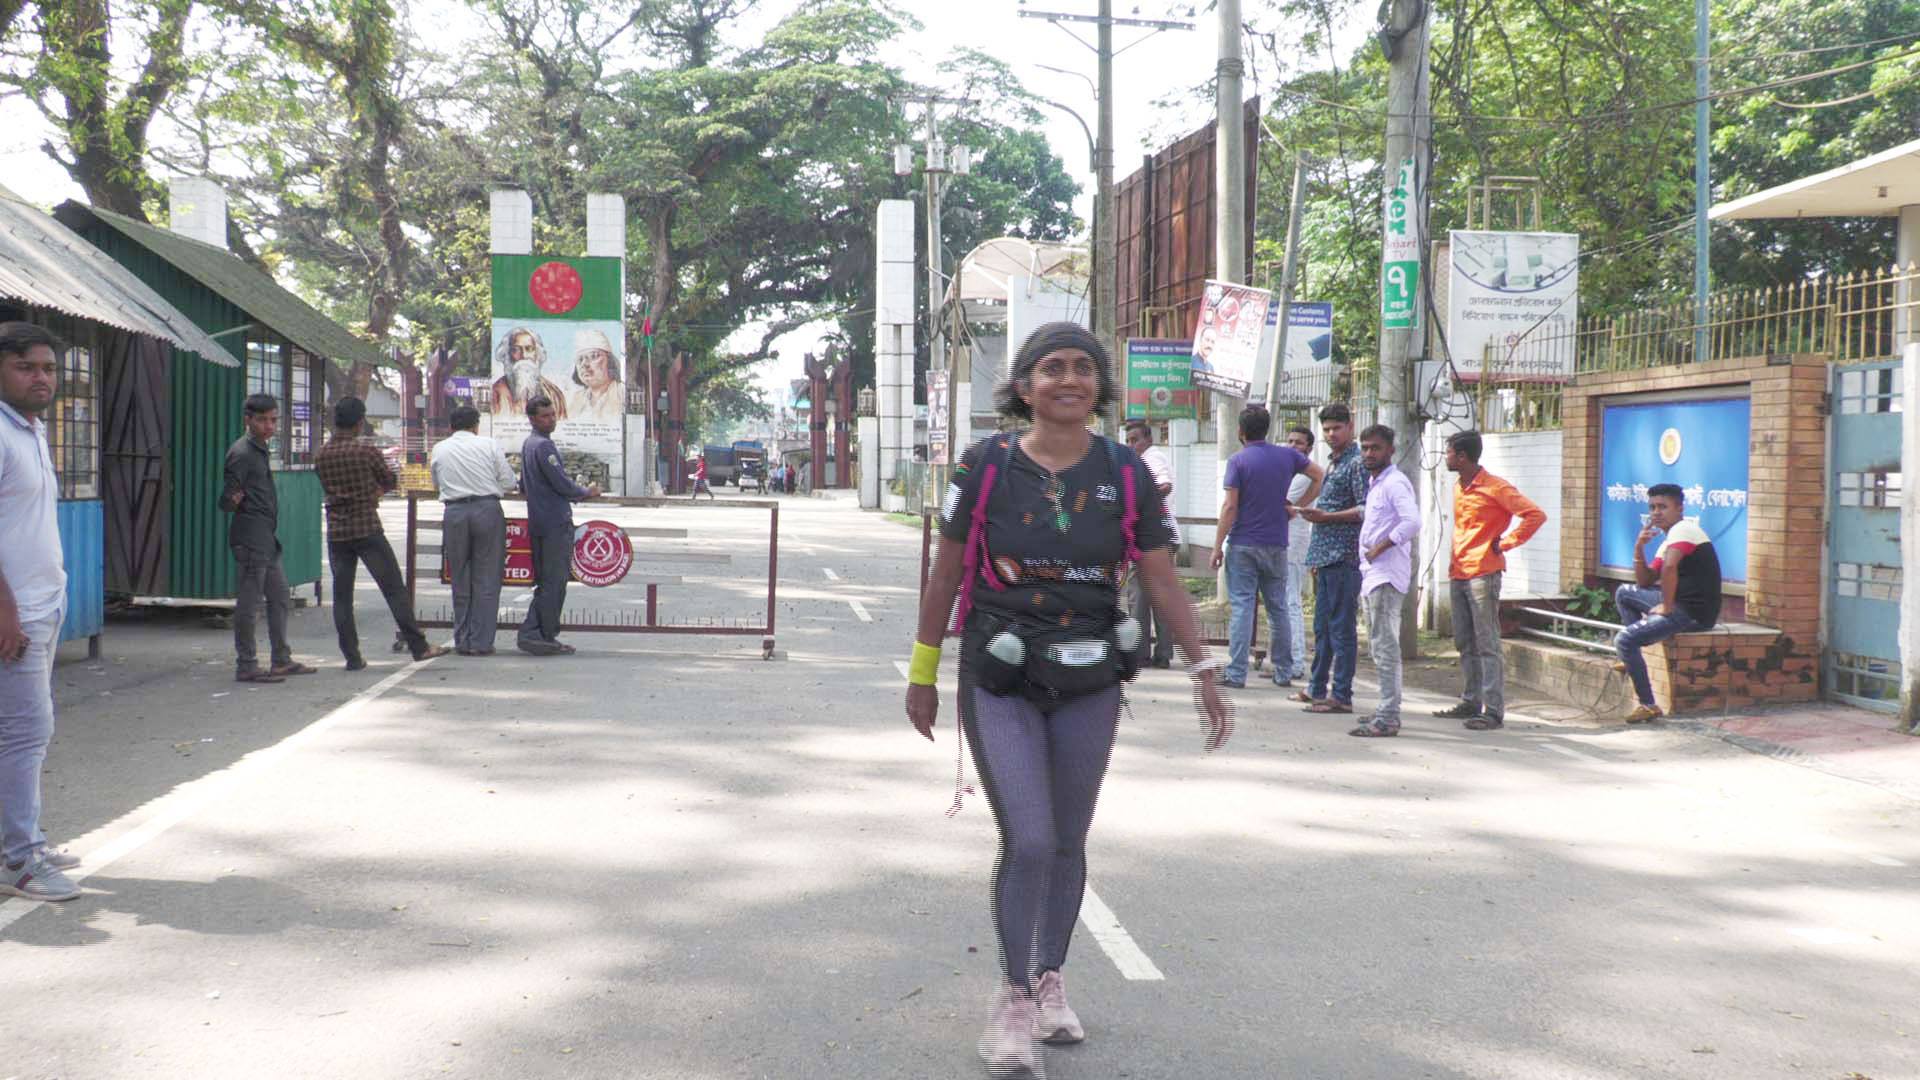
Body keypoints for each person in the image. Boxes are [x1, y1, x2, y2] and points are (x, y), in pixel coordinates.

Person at [904, 322, 1230, 1080]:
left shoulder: (1126, 472)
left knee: (1070, 841)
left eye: (1083, 368)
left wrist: (1203, 669)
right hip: (1001, 677)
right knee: (1030, 839)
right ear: (1024, 387)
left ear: (1099, 388)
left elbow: (1159, 577)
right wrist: (922, 673)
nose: (1069, 379)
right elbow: (946, 575)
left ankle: (1052, 978)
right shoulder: (984, 466)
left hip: (1089, 679)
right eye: (1052, 368)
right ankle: (1013, 999)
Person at [0, 323, 81, 901]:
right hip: (15, 612)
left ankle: (19, 840)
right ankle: (21, 861)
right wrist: (5, 610)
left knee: (22, 732)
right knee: (28, 733)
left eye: (49, 368)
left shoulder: (28, 429)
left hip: (43, 604)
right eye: (28, 367)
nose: (42, 378)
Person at [315, 398, 451, 670]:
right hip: (367, 526)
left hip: (338, 531)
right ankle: (419, 646)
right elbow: (390, 479)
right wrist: (371, 493)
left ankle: (352, 656)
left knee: (342, 596)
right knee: (393, 589)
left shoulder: (321, 454)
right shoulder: (366, 451)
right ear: (359, 422)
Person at [1437, 429, 1547, 731]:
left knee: (1487, 642)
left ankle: (1493, 709)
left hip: (1483, 572)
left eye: (1448, 452)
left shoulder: (1496, 487)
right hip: (1459, 571)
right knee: (1464, 640)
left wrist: (1506, 542)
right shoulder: (1461, 486)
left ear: (1462, 456)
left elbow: (1535, 515)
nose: (1445, 458)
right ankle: (1470, 700)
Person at [1211, 406, 1322, 689]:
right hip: (1276, 544)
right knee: (1278, 608)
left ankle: (1236, 673)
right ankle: (1284, 671)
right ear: (1268, 430)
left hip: (1243, 543)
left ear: (1240, 431)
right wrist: (1298, 506)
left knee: (1243, 607)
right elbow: (1320, 475)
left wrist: (1217, 546)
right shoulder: (1287, 456)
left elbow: (1230, 506)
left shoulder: (1238, 461)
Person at [223, 393, 315, 683]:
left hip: (265, 537)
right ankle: (246, 664)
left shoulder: (259, 449)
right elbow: (226, 499)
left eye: (273, 420)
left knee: (279, 598)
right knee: (249, 605)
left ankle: (281, 659)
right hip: (251, 537)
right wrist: (233, 498)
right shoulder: (242, 452)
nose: (269, 426)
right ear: (247, 420)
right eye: (262, 420)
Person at [1613, 484, 1722, 725]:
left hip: (1693, 612)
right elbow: (1645, 581)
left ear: (1679, 509)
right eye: (1652, 507)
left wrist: (1667, 606)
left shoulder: (1684, 529)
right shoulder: (1668, 539)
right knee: (1624, 592)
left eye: (1663, 507)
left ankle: (1649, 705)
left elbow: (1670, 567)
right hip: (1679, 605)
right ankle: (1632, 657)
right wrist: (1638, 547)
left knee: (1623, 639)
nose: (1656, 512)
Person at [1294, 404, 1367, 714]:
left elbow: (1365, 510)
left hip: (1343, 556)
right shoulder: (1332, 463)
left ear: (1350, 426)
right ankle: (1317, 687)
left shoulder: (1356, 464)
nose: (1331, 434)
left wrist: (1327, 516)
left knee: (1340, 628)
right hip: (1323, 555)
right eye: (1326, 429)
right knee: (1322, 627)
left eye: (1337, 428)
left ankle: (1342, 694)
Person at [1349, 424, 1419, 737]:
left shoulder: (1395, 483)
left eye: (1375, 448)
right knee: (1378, 646)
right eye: (1364, 448)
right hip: (1372, 572)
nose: (1368, 454)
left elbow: (1412, 522)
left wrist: (1381, 545)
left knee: (1385, 646)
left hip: (1386, 573)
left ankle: (1389, 716)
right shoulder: (1377, 482)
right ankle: (1384, 710)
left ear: (1390, 450)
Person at [431, 406, 517, 655]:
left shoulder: (440, 448)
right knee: (487, 578)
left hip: (455, 512)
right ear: (476, 425)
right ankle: (480, 643)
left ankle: (462, 640)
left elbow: (437, 483)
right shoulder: (489, 445)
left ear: (451, 427)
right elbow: (509, 482)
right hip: (487, 511)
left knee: (459, 577)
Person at [518, 396, 598, 656]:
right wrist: (586, 491)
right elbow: (561, 483)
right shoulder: (543, 447)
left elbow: (523, 484)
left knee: (546, 581)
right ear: (532, 419)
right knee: (554, 582)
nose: (551, 419)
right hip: (554, 522)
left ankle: (540, 633)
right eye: (545, 416)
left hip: (539, 521)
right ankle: (537, 634)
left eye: (552, 415)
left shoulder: (529, 444)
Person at [1122, 420, 1178, 668]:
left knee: (1139, 595)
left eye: (1136, 440)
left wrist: (1137, 504)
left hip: (1150, 538)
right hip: (1162, 537)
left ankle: (1141, 652)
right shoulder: (1146, 459)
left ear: (1149, 440)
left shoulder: (1151, 458)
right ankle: (1162, 653)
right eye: (1128, 441)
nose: (1132, 445)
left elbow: (1164, 485)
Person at [1282, 426, 1316, 680]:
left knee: (1291, 601)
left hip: (1294, 543)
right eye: (1290, 441)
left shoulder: (1304, 475)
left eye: (1299, 443)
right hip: (1282, 541)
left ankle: (1296, 661)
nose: (1293, 446)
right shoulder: (1289, 471)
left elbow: (1281, 503)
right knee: (1281, 602)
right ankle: (1285, 659)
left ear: (1308, 448)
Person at [490, 328, 568, 419]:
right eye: (516, 349)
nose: (524, 355)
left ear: (537, 354)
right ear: (507, 354)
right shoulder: (496, 393)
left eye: (529, 349)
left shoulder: (554, 394)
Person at [564, 329, 625, 422]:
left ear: (609, 361)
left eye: (594, 356)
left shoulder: (622, 395)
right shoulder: (572, 401)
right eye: (580, 359)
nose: (585, 364)